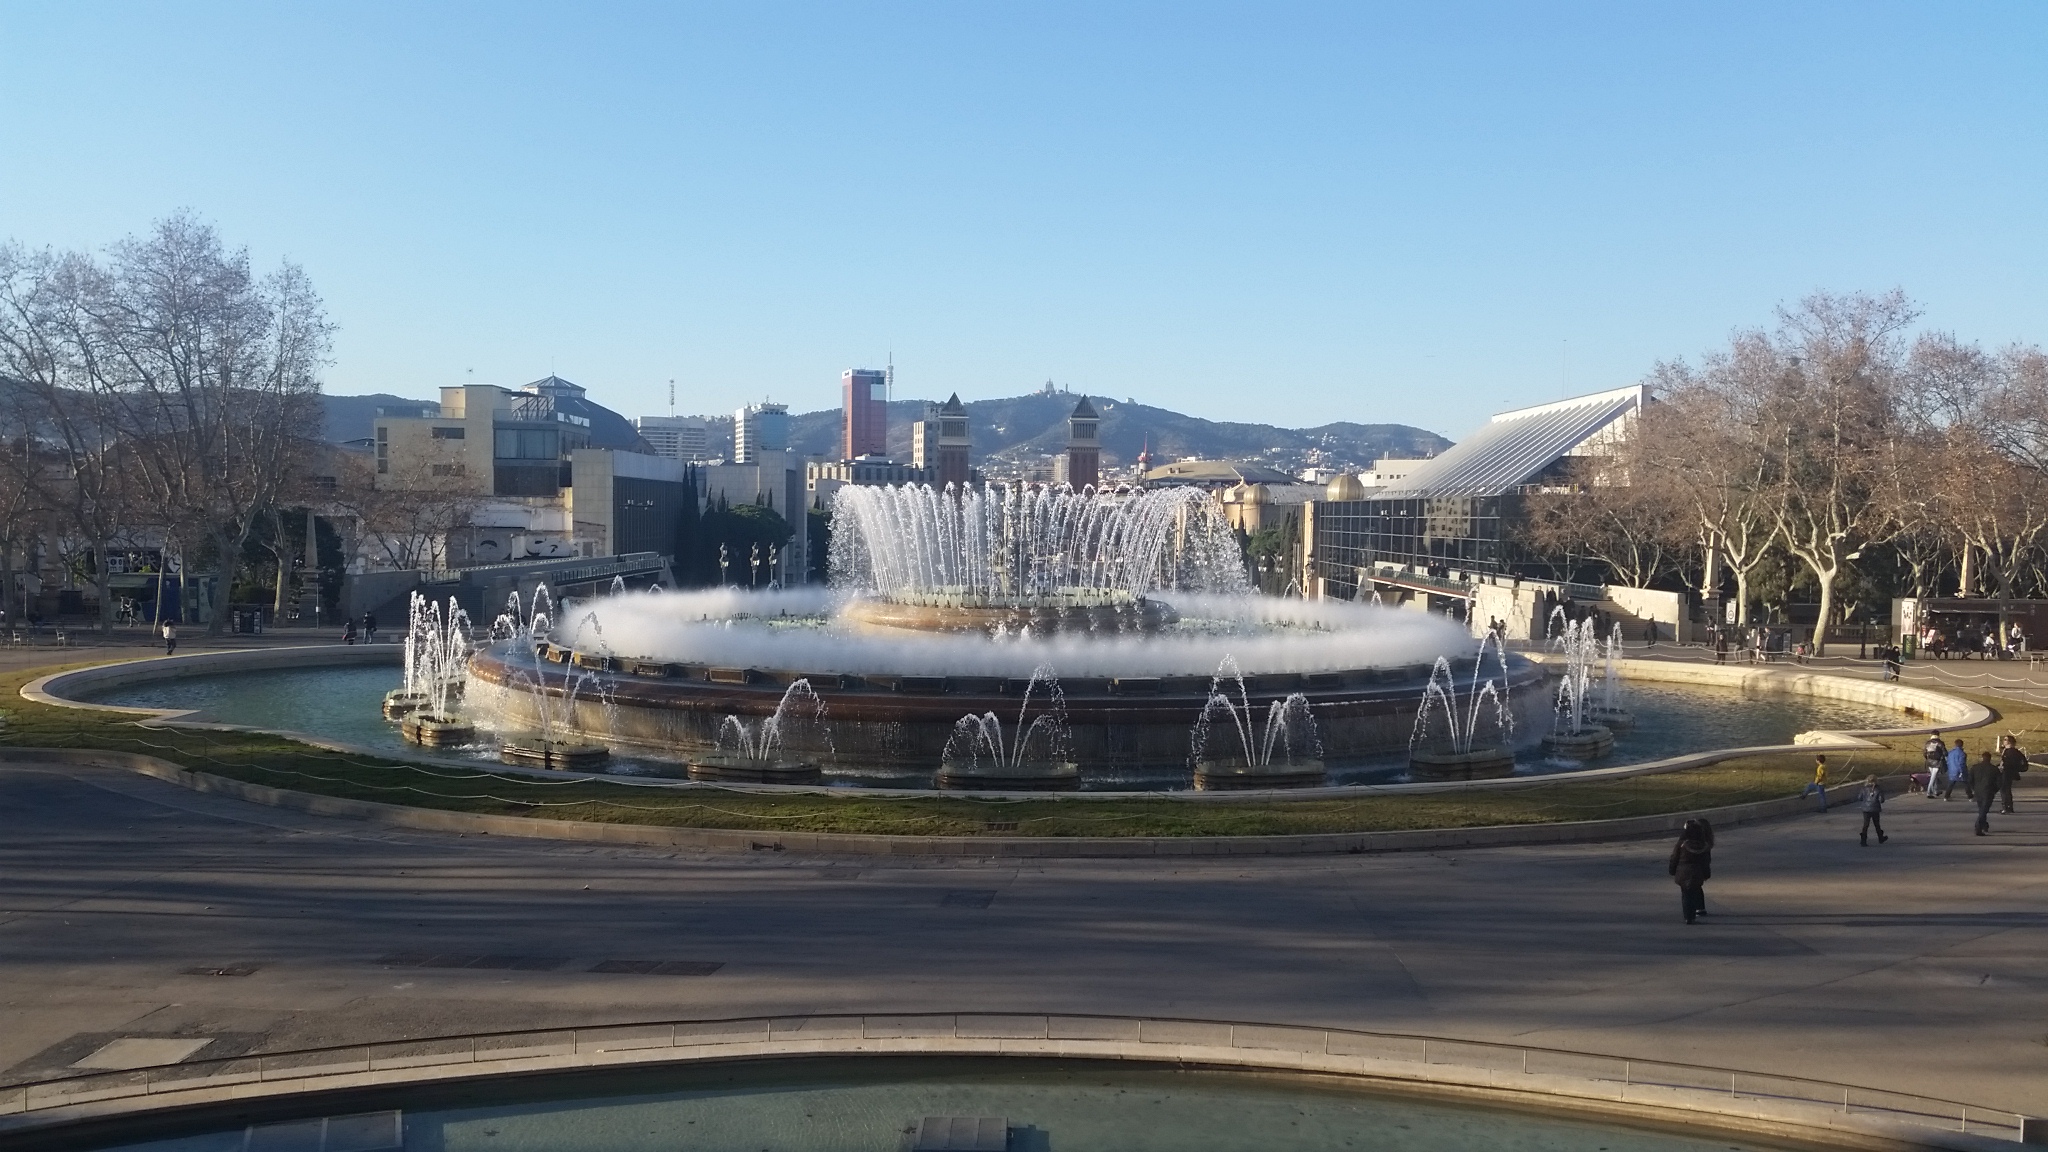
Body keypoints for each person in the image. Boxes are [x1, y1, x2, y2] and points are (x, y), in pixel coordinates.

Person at [1668, 818, 1713, 925]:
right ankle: (1694, 912)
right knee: (1694, 891)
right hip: (1697, 872)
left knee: (1685, 894)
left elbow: (1674, 858)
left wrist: (1672, 870)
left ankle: (1688, 916)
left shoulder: (1681, 844)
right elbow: (1706, 862)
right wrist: (1706, 874)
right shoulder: (1704, 846)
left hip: (1682, 872)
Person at [1971, 750, 2000, 836]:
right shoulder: (1994, 769)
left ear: (1982, 758)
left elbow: (1970, 780)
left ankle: (1984, 825)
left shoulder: (1974, 768)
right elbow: (1999, 782)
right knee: (1984, 810)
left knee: (1982, 809)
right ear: (1990, 759)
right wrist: (1995, 790)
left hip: (1978, 791)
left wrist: (1974, 788)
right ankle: (1978, 826)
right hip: (1989, 791)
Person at [1997, 734, 2027, 815]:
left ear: (2009, 742)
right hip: (2007, 771)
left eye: (2005, 740)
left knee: (2004, 789)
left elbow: (2009, 762)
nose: (2004, 741)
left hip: (2007, 772)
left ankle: (2006, 807)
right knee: (2006, 789)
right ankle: (2008, 806)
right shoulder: (2008, 751)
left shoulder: (2011, 752)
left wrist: (2003, 766)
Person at [1857, 776, 1887, 846]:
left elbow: (1859, 798)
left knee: (1866, 824)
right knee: (1877, 824)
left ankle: (1863, 840)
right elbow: (1881, 800)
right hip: (1875, 809)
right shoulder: (1878, 789)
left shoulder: (1863, 789)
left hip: (1866, 809)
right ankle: (1880, 837)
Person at [1924, 731, 1948, 798]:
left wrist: (1928, 759)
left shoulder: (1927, 743)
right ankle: (1929, 793)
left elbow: (1924, 753)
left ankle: (1935, 790)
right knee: (1933, 778)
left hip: (1929, 762)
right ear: (1938, 735)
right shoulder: (1940, 743)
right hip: (1937, 762)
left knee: (1934, 777)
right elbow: (1945, 752)